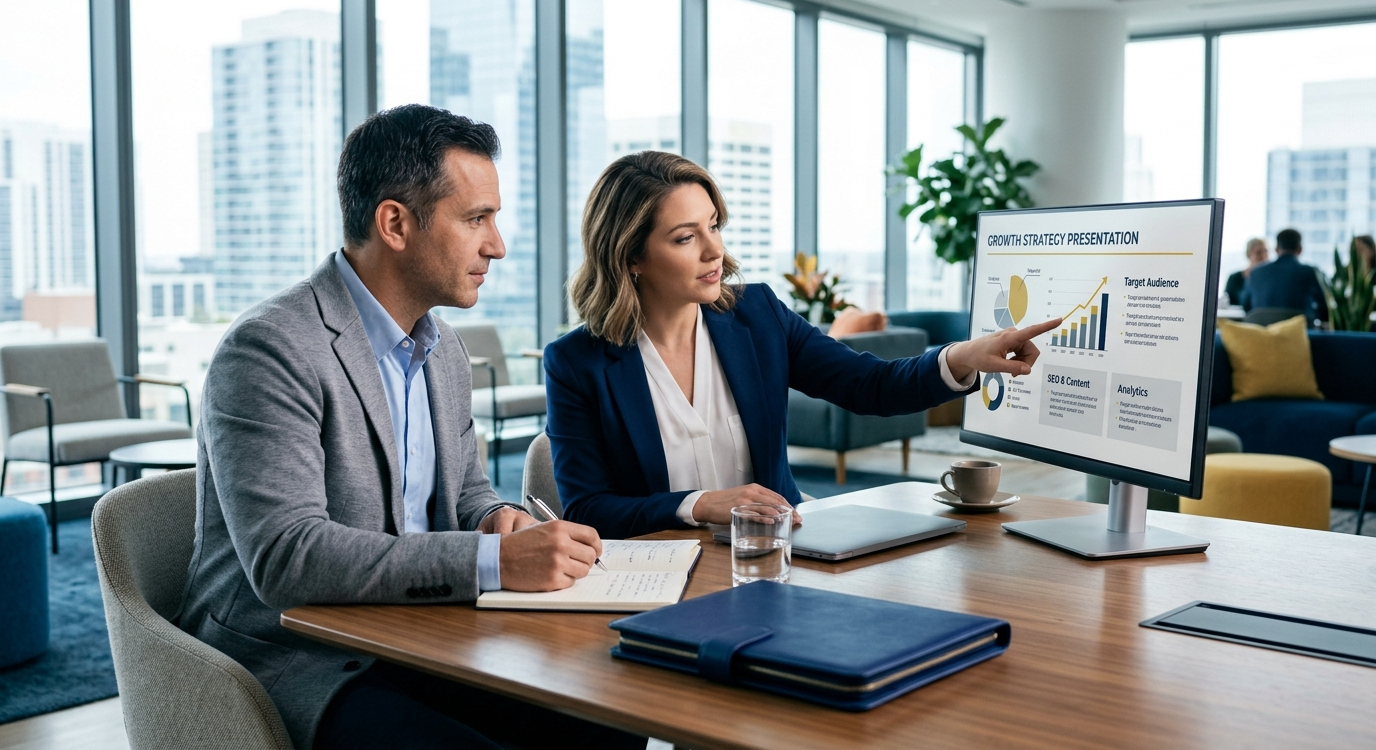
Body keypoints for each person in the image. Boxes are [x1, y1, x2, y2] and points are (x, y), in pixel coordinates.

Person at [176, 105, 643, 750]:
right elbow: (288, 558)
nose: (497, 245)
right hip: (302, 656)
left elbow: (466, 493)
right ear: (394, 223)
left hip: (425, 631)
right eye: (476, 219)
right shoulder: (269, 350)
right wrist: (494, 559)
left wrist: (498, 520)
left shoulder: (443, 349)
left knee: (610, 717)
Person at [543, 151, 1060, 539]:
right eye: (685, 237)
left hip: (778, 560)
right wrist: (698, 505)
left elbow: (870, 385)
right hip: (660, 579)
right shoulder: (575, 362)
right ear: (630, 257)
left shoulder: (758, 315)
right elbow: (588, 510)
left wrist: (961, 357)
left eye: (714, 226)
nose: (714, 249)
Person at [1241, 227, 1327, 322]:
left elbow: (1246, 306)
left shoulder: (1255, 273)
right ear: (1300, 249)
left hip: (1262, 330)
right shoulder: (1311, 272)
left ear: (1276, 249)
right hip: (1298, 330)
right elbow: (1325, 308)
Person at [1223, 237, 1268, 306]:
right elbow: (1227, 301)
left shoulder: (1269, 279)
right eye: (1259, 252)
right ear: (1248, 254)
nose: (1263, 256)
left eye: (1266, 251)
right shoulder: (1235, 278)